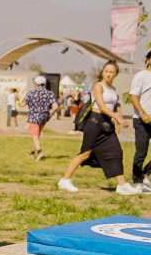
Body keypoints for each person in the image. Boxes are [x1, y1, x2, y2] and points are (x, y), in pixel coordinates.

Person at [58, 60, 140, 195]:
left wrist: (120, 118)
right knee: (85, 154)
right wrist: (117, 117)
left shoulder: (113, 89)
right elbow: (102, 106)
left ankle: (122, 185)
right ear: (102, 72)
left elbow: (116, 105)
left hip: (107, 125)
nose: (108, 74)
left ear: (116, 74)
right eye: (106, 71)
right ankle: (65, 180)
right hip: (95, 123)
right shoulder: (98, 86)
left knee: (116, 152)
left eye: (112, 72)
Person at [129, 50, 151, 192]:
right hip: (142, 119)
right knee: (141, 151)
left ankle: (145, 173)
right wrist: (142, 113)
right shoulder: (141, 76)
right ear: (148, 59)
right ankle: (137, 180)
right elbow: (133, 96)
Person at [23, 75, 58, 160]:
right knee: (37, 134)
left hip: (34, 116)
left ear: (36, 84)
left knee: (34, 135)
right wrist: (50, 114)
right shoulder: (50, 93)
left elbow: (22, 104)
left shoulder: (31, 93)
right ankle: (33, 152)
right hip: (44, 116)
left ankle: (39, 152)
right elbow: (55, 107)